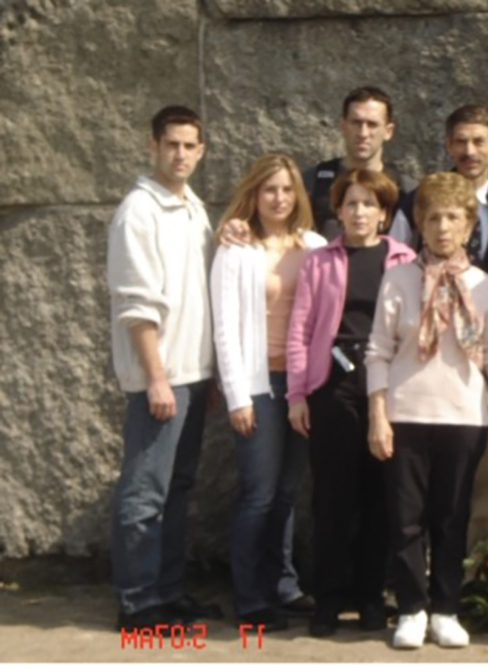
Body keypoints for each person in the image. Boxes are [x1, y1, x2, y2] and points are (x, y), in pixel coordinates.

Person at [366, 172, 488, 650]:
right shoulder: (398, 278)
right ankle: (411, 608)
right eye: (433, 217)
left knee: (451, 516)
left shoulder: (483, 285)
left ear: (467, 227)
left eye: (454, 218)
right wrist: (378, 415)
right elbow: (378, 351)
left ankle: (445, 607)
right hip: (405, 414)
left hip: (463, 417)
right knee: (404, 519)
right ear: (419, 223)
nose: (443, 227)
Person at [285, 169, 416, 637]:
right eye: (351, 204)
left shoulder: (404, 260)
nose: (360, 213)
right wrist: (298, 394)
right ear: (337, 211)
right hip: (333, 389)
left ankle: (371, 597)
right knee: (333, 500)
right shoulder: (320, 262)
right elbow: (300, 331)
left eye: (369, 204)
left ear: (384, 213)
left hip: (388, 391)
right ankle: (329, 598)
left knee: (382, 498)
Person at [107, 105, 222, 631]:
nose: (180, 154)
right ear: (152, 146)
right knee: (145, 493)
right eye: (171, 144)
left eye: (189, 146)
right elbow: (137, 305)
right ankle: (137, 603)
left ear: (200, 151)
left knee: (177, 490)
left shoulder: (193, 208)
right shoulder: (140, 211)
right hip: (162, 379)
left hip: (193, 377)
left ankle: (168, 591)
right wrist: (156, 378)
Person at [209, 153, 325, 631]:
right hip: (258, 386)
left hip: (302, 385)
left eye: (286, 189)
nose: (279, 198)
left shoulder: (315, 245)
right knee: (257, 493)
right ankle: (251, 598)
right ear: (254, 195)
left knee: (286, 493)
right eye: (269, 190)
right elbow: (224, 330)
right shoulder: (235, 250)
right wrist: (237, 396)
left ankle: (283, 585)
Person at [303, 86, 417, 239]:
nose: (363, 133)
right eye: (356, 123)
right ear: (342, 126)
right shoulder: (312, 182)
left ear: (388, 131)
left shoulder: (406, 191)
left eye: (372, 124)